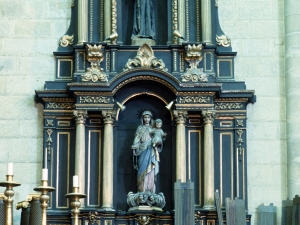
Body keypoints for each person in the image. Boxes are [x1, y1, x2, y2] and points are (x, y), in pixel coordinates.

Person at [132, 111, 160, 193]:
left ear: (151, 119)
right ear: (142, 118)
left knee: (151, 169)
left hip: (151, 150)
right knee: (141, 169)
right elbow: (137, 140)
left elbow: (158, 138)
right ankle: (141, 190)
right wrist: (135, 146)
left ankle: (150, 189)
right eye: (145, 117)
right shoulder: (140, 128)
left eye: (148, 117)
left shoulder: (153, 129)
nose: (146, 119)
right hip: (142, 150)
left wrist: (157, 142)